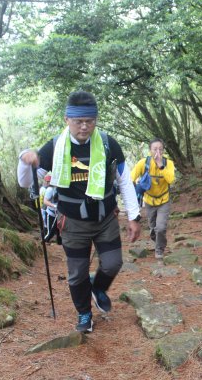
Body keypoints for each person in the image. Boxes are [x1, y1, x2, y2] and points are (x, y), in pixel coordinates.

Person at [17, 91, 141, 333]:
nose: (84, 127)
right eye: (78, 122)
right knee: (77, 274)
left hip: (105, 218)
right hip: (72, 222)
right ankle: (84, 313)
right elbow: (26, 182)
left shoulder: (107, 144)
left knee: (113, 263)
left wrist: (134, 216)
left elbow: (125, 180)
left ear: (96, 119)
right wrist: (25, 159)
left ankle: (98, 287)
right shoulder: (54, 148)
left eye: (90, 121)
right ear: (67, 120)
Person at [130, 138, 175, 259]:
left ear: (164, 151)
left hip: (163, 200)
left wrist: (161, 166)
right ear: (150, 150)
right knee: (152, 229)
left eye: (160, 149)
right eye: (155, 149)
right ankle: (158, 242)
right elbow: (131, 178)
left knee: (160, 227)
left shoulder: (168, 163)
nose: (158, 152)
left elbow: (171, 180)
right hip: (149, 201)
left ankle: (159, 249)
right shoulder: (143, 163)